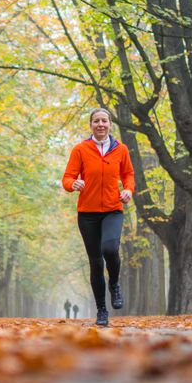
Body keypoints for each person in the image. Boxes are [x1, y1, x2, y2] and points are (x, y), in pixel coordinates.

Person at [62, 108, 134, 327]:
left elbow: (128, 174)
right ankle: (102, 310)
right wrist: (72, 184)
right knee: (95, 262)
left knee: (110, 249)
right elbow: (67, 177)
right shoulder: (81, 150)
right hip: (88, 214)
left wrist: (128, 190)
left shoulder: (121, 150)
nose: (100, 124)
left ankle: (114, 283)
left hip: (113, 209)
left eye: (104, 121)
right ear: (91, 125)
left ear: (110, 124)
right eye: (96, 121)